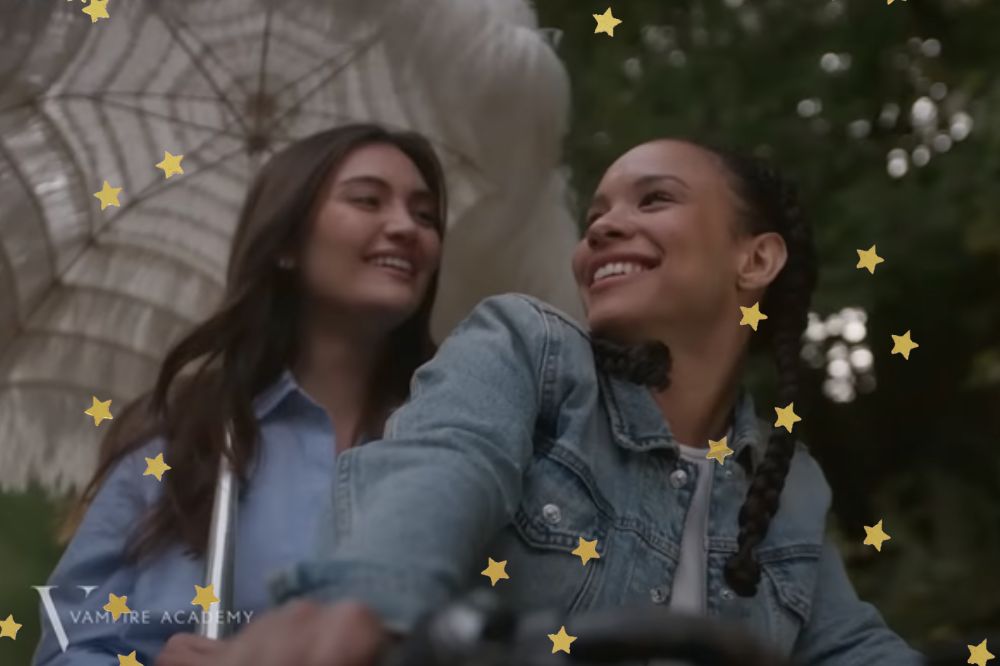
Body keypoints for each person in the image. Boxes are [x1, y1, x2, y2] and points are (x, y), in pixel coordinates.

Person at [214, 138, 924, 666]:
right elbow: (443, 464)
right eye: (595, 215)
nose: (602, 229)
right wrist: (359, 601)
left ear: (757, 260)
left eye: (654, 199)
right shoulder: (527, 351)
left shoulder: (788, 483)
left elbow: (852, 646)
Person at [32, 123, 448, 666]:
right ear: (285, 245)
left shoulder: (456, 441)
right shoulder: (177, 441)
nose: (404, 227)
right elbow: (66, 649)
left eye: (425, 215)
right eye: (367, 200)